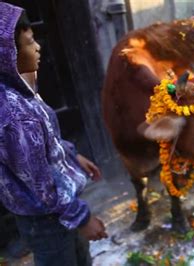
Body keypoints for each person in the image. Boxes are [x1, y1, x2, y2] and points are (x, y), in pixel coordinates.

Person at [0, 3, 107, 265]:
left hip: (58, 206)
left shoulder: (21, 91)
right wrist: (82, 219)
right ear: (6, 54)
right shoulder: (13, 113)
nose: (38, 47)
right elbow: (40, 183)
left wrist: (71, 156)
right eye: (28, 42)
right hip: (48, 219)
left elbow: (43, 143)